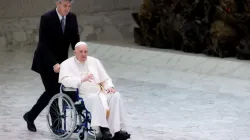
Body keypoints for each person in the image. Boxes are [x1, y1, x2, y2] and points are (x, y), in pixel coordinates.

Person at [23, 0, 80, 132]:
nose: (67, 9)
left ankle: (30, 116)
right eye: (65, 6)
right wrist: (53, 63)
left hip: (62, 62)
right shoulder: (47, 18)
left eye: (69, 6)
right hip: (45, 60)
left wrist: (80, 56)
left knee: (52, 92)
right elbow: (43, 45)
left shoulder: (72, 18)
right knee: (53, 91)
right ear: (57, 4)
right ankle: (57, 126)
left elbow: (75, 40)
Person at [58, 41, 131, 140]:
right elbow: (64, 80)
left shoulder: (94, 61)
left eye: (85, 52)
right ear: (75, 52)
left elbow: (105, 78)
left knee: (116, 95)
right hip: (84, 94)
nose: (84, 54)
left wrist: (110, 87)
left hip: (100, 91)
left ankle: (117, 130)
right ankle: (102, 130)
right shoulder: (67, 64)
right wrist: (81, 79)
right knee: (96, 99)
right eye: (81, 52)